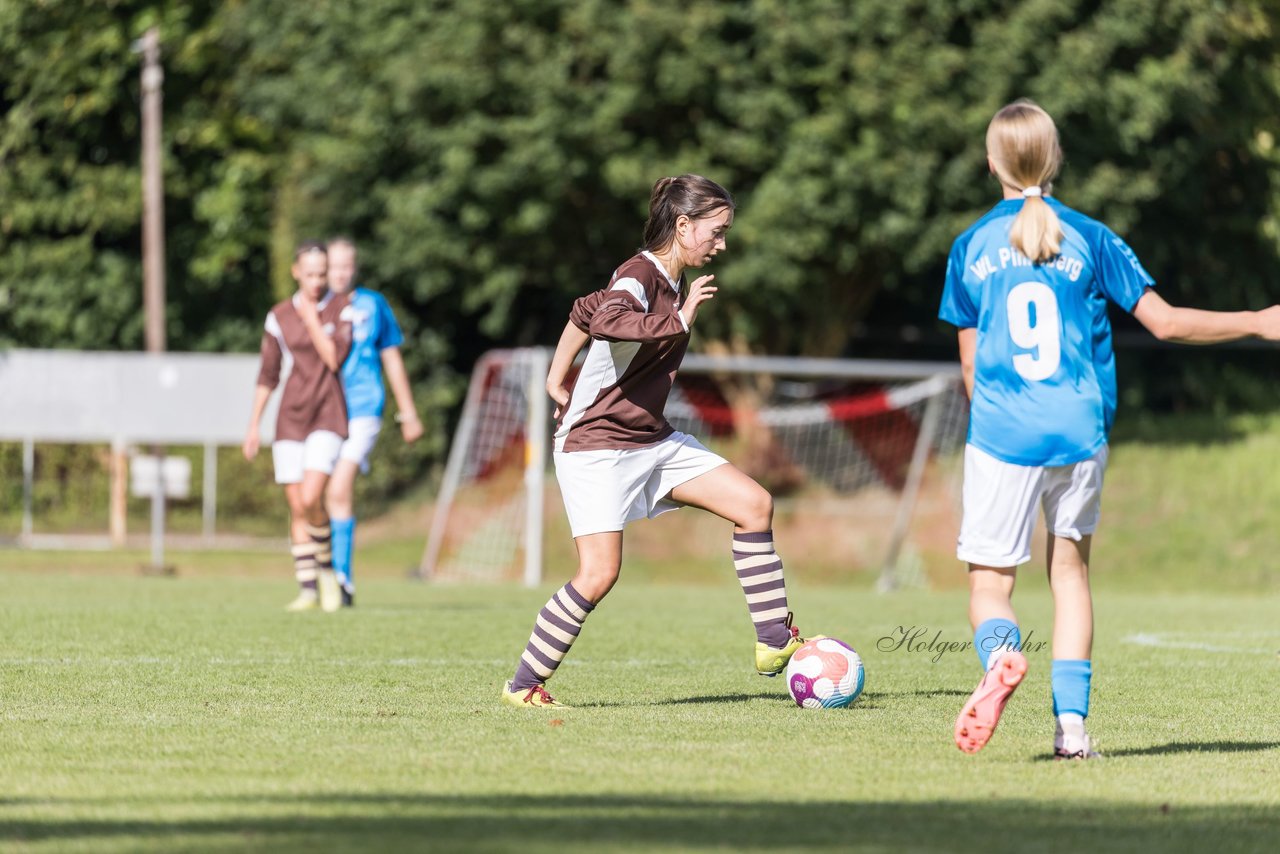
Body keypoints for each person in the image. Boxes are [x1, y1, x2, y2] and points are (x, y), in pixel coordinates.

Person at [939, 100, 1280, 758]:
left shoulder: (970, 247)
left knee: (990, 585)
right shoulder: (1092, 237)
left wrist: (994, 430)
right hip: (1078, 428)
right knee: (1069, 577)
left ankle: (1003, 657)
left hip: (1003, 433)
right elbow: (1169, 322)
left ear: (991, 163)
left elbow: (970, 362)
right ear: (1055, 158)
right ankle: (1072, 734)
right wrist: (1262, 320)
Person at [501, 174, 818, 709]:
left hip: (651, 440)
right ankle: (523, 686)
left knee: (754, 504)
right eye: (715, 232)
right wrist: (680, 318)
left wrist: (557, 377)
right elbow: (604, 317)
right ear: (683, 224)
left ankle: (772, 642)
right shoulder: (640, 274)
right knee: (599, 574)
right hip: (597, 444)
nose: (721, 243)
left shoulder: (667, 281)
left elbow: (582, 310)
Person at [243, 241, 354, 613]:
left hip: (327, 413)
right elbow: (268, 373)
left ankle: (327, 573)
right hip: (291, 416)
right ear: (296, 272)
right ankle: (309, 588)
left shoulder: (343, 307)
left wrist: (310, 317)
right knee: (296, 504)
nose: (318, 281)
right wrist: (254, 424)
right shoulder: (277, 316)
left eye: (322, 273)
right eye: (310, 274)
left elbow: (334, 358)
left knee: (310, 498)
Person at [324, 238, 423, 607]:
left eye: (347, 265)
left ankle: (341, 580)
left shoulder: (373, 304)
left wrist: (408, 412)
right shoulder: (313, 307)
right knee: (318, 495)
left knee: (338, 488)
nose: (341, 273)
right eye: (334, 266)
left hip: (364, 409)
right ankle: (320, 577)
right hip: (323, 412)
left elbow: (392, 359)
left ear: (355, 267)